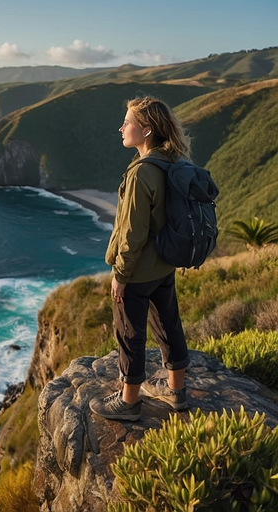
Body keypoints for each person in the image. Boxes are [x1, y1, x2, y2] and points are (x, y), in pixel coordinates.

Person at [89, 96, 190, 421]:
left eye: (127, 123)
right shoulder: (173, 161)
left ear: (146, 131)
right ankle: (177, 393)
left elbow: (132, 232)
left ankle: (129, 402)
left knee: (130, 334)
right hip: (164, 265)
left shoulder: (141, 173)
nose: (121, 128)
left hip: (139, 271)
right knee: (169, 326)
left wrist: (120, 274)